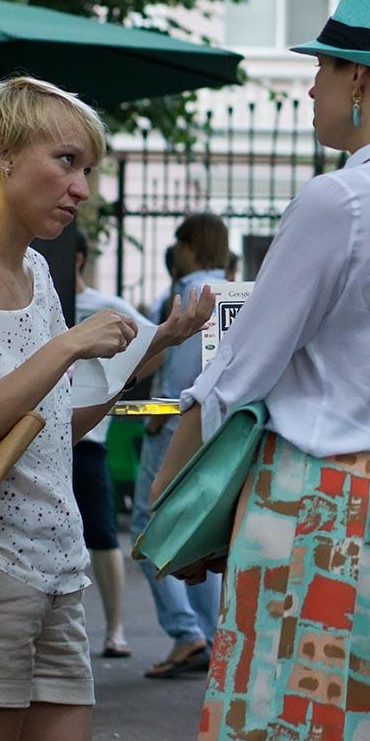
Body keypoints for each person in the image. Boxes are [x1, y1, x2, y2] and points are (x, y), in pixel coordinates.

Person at [153, 0, 370, 741]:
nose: (312, 86)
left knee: (284, 727)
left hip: (314, 504)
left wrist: (172, 513)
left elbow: (235, 375)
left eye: (324, 68)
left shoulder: (342, 202)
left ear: (359, 78)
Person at [0, 76, 211, 741]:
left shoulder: (36, 272)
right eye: (66, 162)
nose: (83, 188)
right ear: (1, 154)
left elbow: (50, 431)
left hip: (57, 571)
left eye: (87, 168)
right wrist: (68, 345)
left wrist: (160, 345)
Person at [132, 215, 228, 681]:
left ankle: (185, 631)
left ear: (189, 246)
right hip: (217, 424)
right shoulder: (236, 292)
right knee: (203, 527)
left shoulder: (181, 295)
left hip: (171, 420)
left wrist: (150, 412)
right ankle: (212, 635)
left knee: (151, 525)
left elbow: (157, 358)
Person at [71, 230, 163, 661]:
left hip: (87, 440)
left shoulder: (105, 308)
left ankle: (116, 629)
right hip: (30, 436)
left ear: (75, 259)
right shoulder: (30, 298)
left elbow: (154, 346)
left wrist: (117, 387)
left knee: (103, 533)